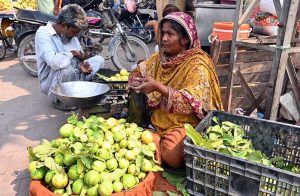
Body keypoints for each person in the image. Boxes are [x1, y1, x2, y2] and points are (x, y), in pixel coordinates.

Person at [128, 12, 223, 169]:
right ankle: (155, 141)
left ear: (185, 39)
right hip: (159, 119)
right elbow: (138, 71)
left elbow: (192, 103)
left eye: (170, 34)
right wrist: (137, 81)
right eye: (163, 33)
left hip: (187, 122)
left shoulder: (197, 64)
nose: (164, 38)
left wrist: (158, 87)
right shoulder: (160, 58)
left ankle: (156, 143)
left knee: (171, 156)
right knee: (139, 142)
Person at [35, 4, 105, 111]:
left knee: (99, 60)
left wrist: (82, 64)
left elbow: (79, 56)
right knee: (66, 70)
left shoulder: (70, 34)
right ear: (64, 25)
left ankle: (78, 88)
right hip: (52, 79)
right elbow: (53, 61)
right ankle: (59, 100)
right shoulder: (43, 33)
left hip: (73, 74)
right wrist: (72, 53)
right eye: (75, 32)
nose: (75, 35)